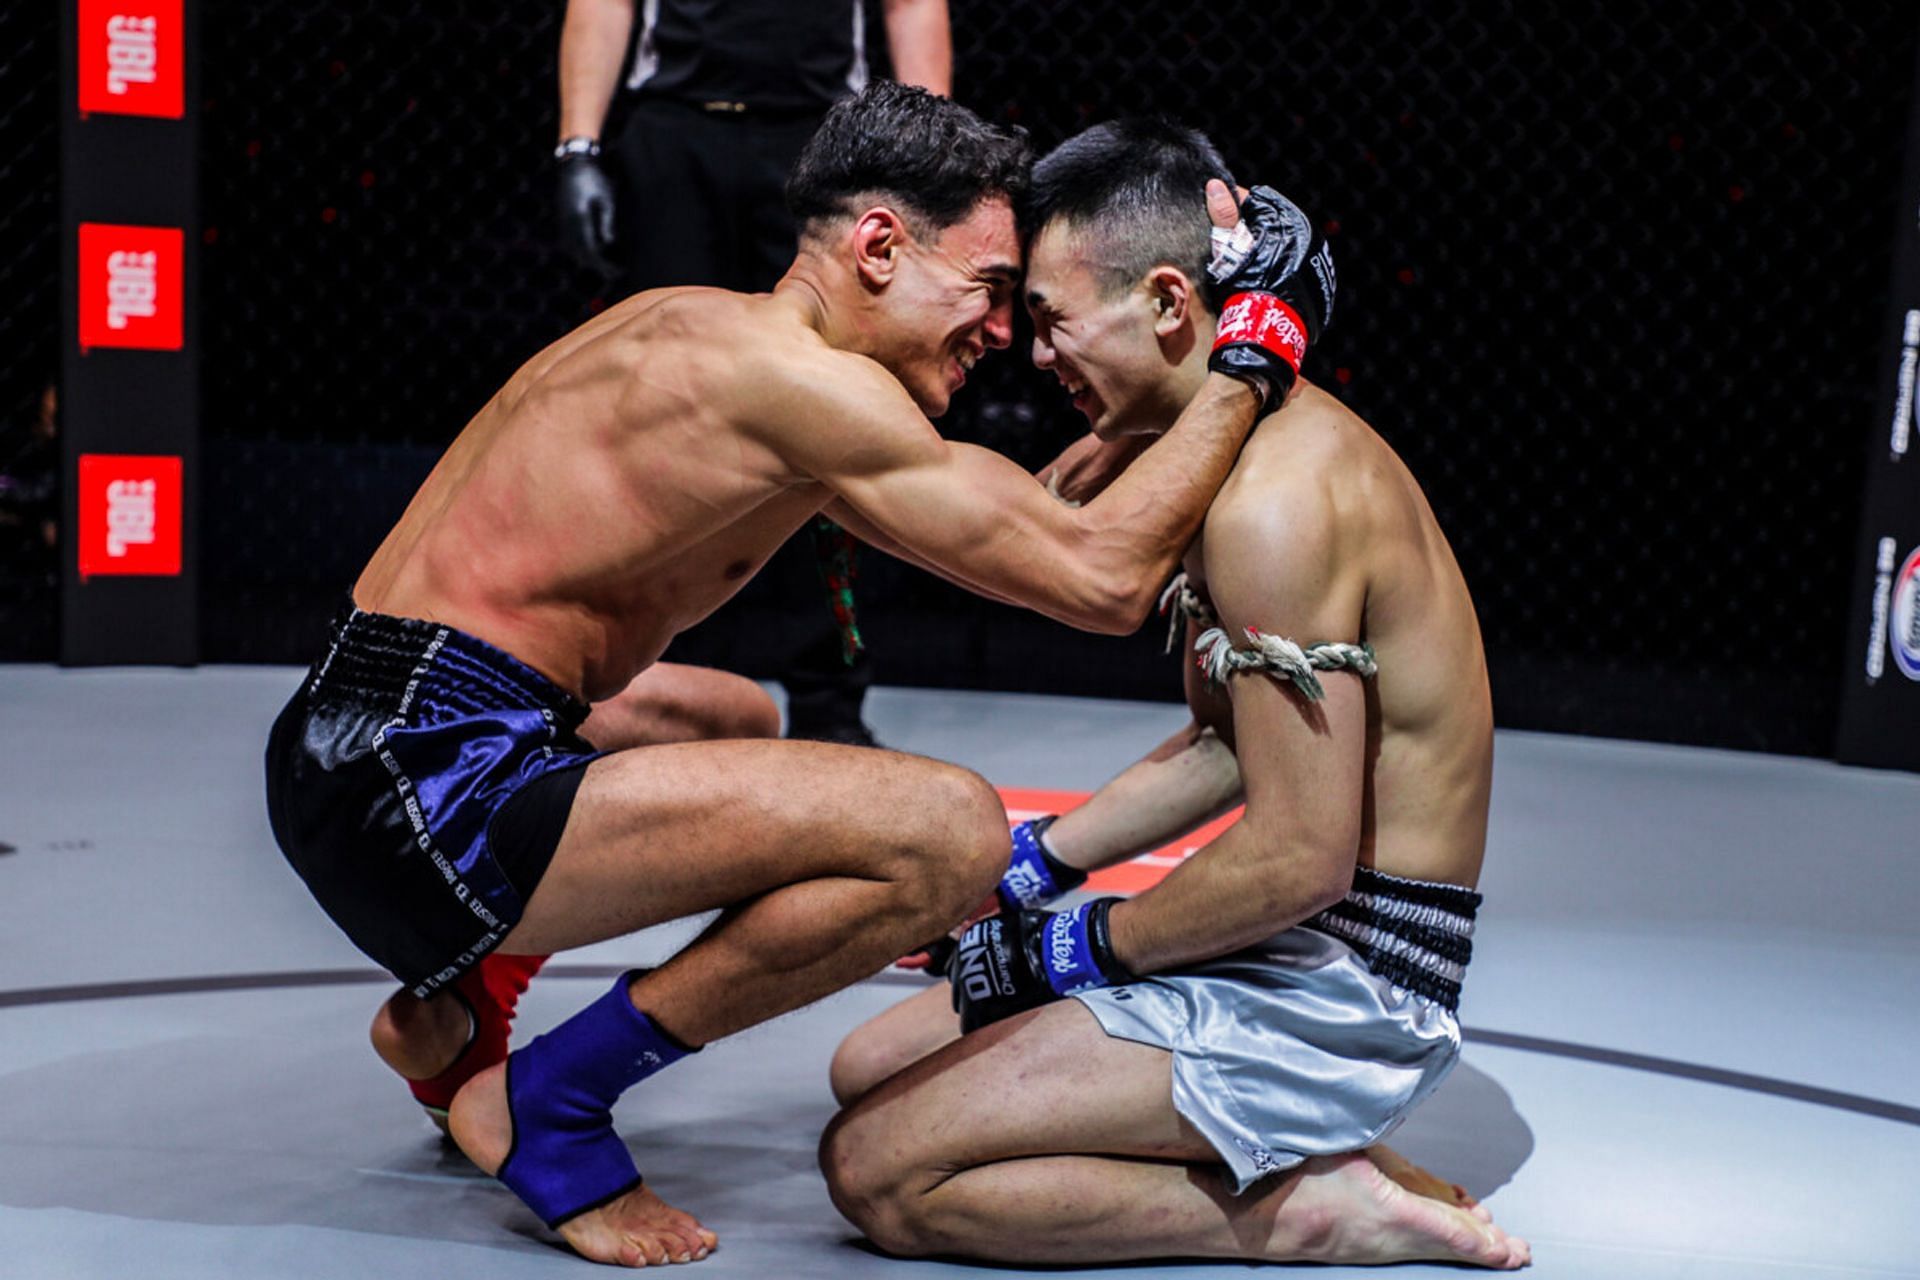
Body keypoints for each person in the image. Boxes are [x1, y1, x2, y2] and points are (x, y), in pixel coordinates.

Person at [264, 84, 1329, 1267]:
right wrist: (1258, 348)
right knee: (948, 834)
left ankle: (459, 1023)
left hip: (347, 740)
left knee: (725, 714)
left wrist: (1147, 417)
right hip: (423, 800)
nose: (998, 334)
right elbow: (1099, 580)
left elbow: (1027, 511)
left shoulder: (697, 326)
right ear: (879, 244)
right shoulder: (816, 398)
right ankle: (551, 1099)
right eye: (985, 288)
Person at [819, 118, 1531, 1270]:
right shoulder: (1223, 452)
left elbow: (1303, 861)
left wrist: (1070, 949)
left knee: (878, 1171)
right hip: (1291, 939)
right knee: (868, 1067)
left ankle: (1305, 1211)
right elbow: (1227, 747)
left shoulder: (1271, 510)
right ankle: (1274, 1153)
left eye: (1050, 318)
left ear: (1164, 301)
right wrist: (1027, 872)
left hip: (1349, 993)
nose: (1030, 354)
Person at [553, 0, 952, 746]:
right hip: (675, 133)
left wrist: (929, 171)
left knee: (834, 413)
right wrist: (578, 147)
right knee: (661, 423)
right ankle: (655, 679)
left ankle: (830, 700)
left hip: (823, 142)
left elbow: (911, 7)